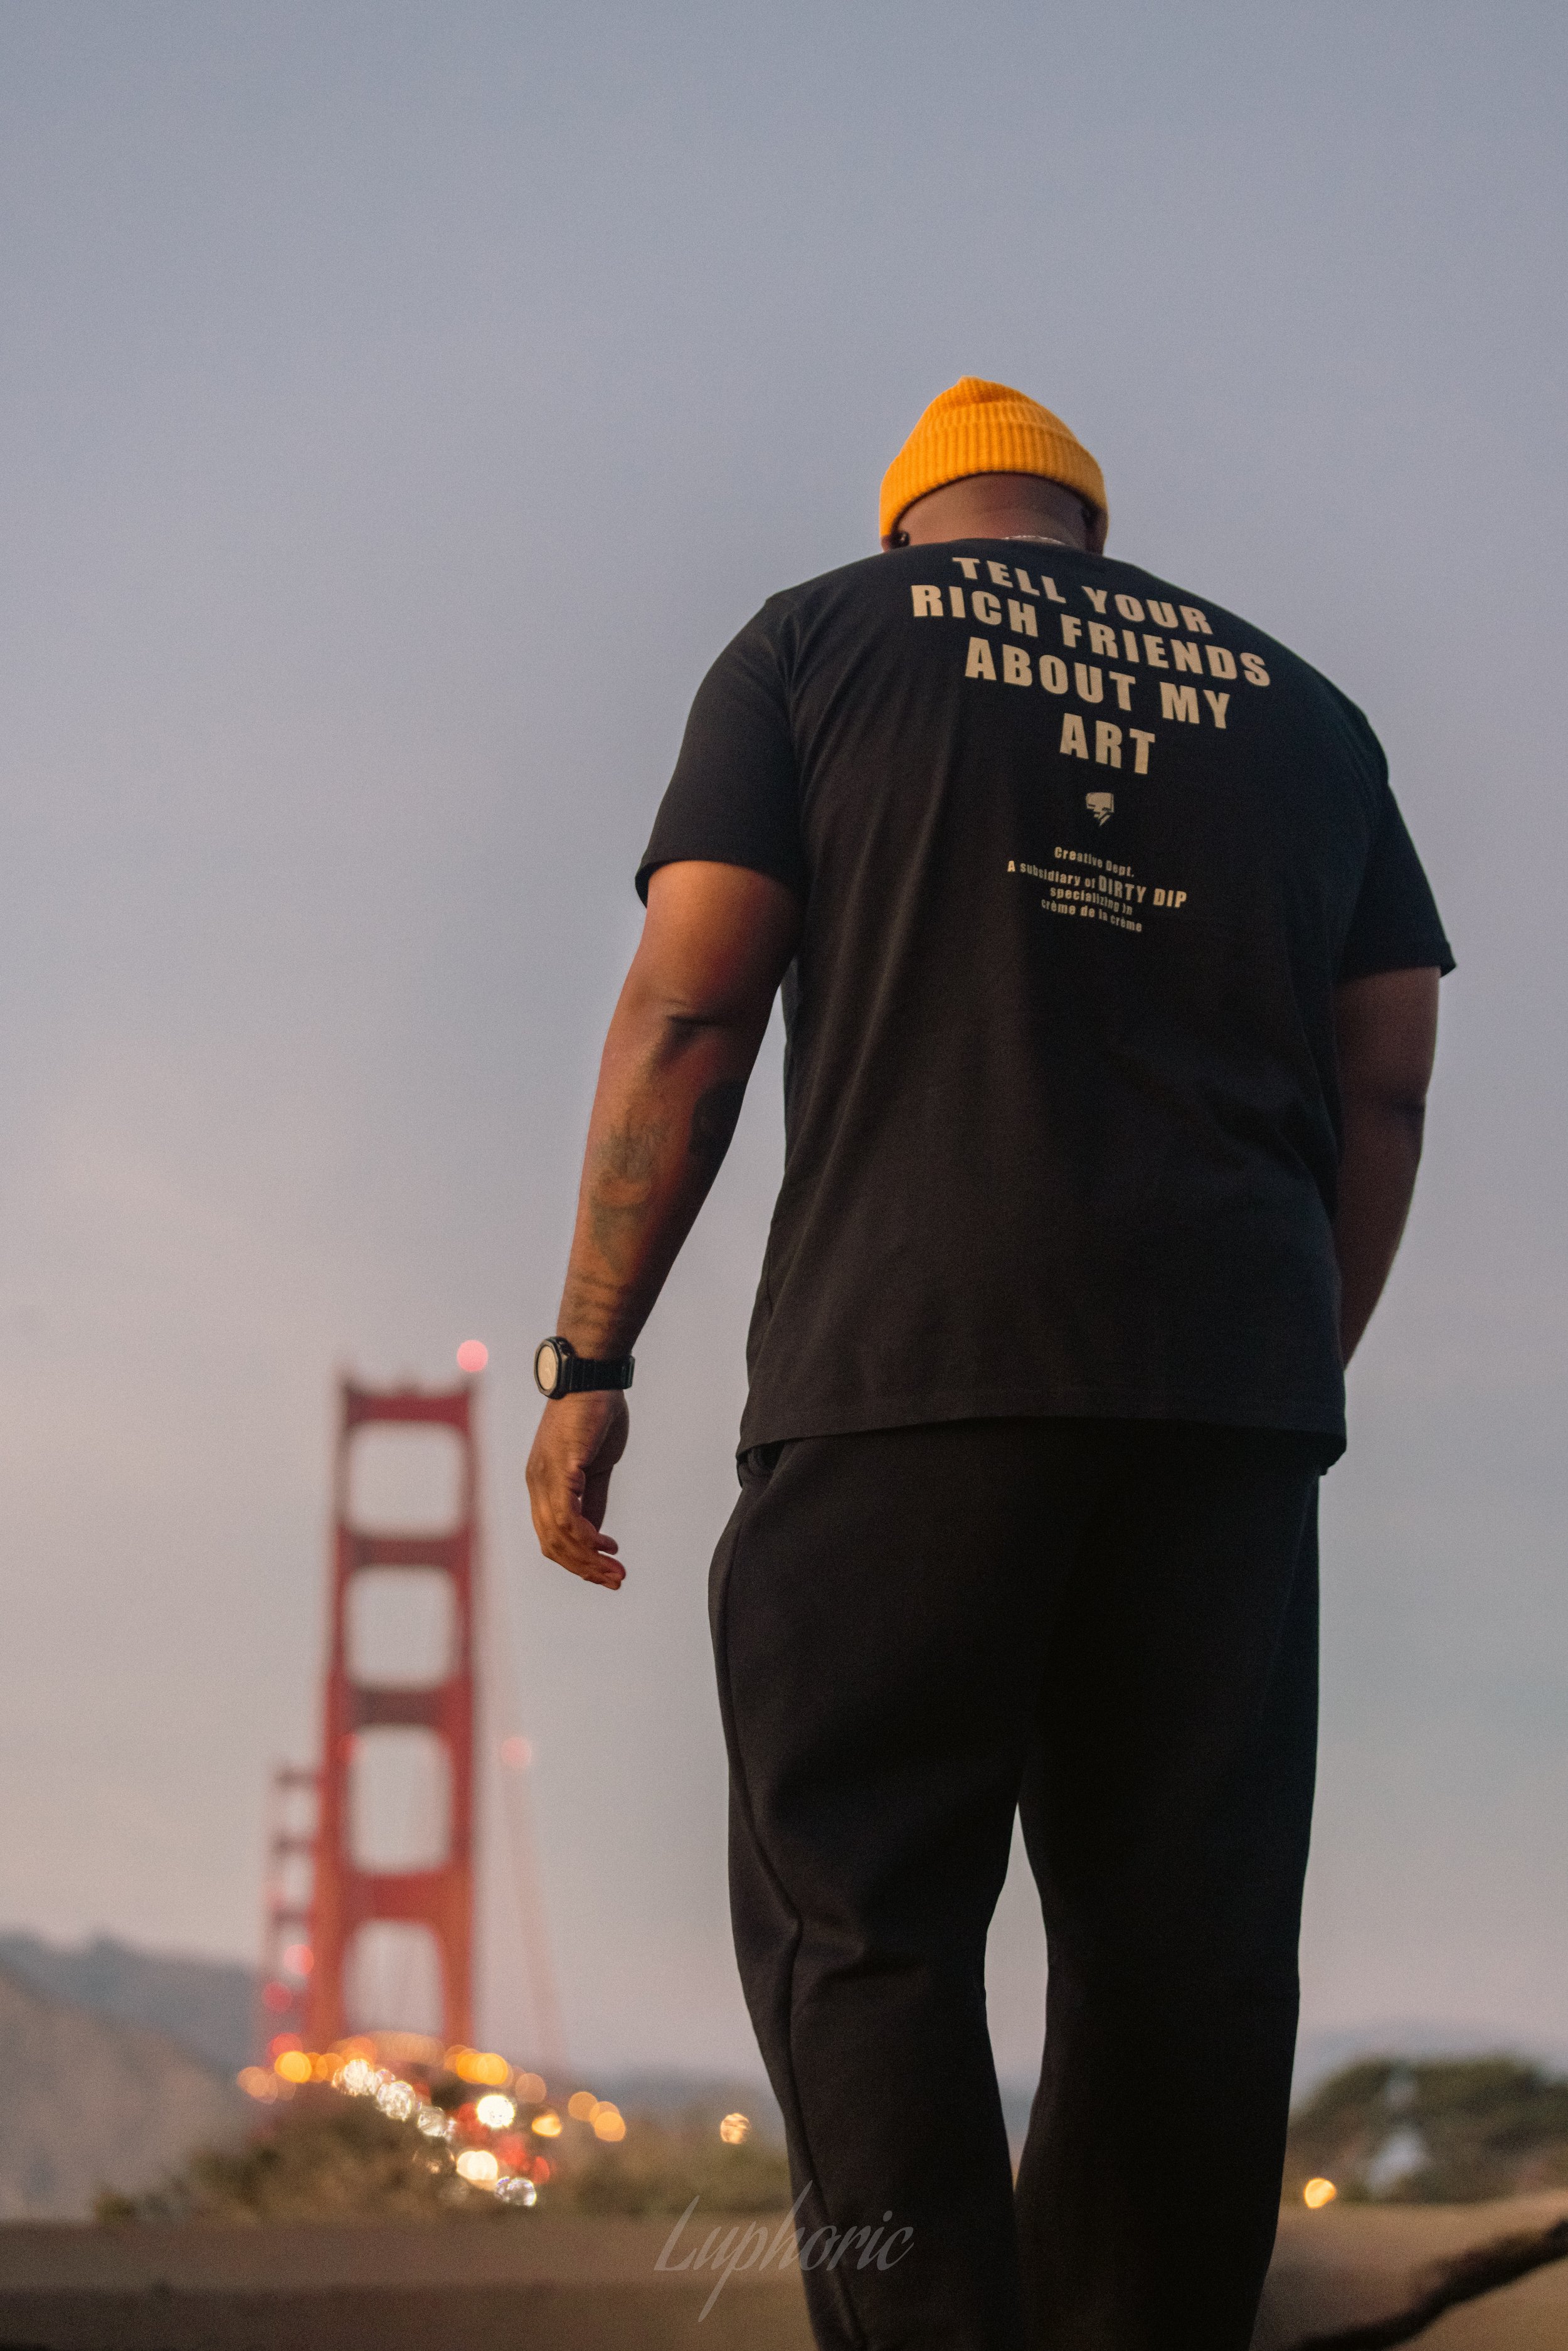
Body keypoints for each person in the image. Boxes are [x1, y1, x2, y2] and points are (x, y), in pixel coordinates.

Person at [526, 377, 1451, 2350]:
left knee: (859, 1912)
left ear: (913, 532)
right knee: (1182, 1955)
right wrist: (1278, 1361)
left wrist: (588, 1351)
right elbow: (1385, 1090)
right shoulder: (1303, 709)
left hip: (906, 1365)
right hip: (1225, 1398)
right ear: (1087, 538)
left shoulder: (816, 641)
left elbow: (692, 998)